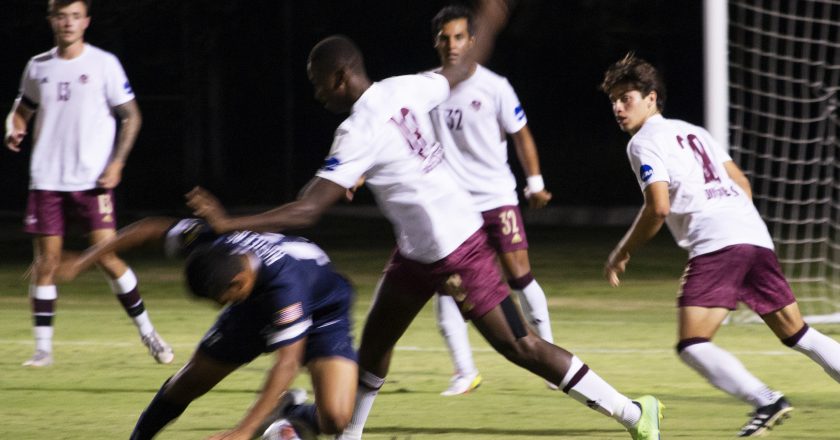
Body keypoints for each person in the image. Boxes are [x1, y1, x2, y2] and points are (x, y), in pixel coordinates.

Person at [186, 4, 663, 439]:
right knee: (372, 350)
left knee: (521, 347)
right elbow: (459, 69)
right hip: (417, 252)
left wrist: (229, 224)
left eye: (316, 82)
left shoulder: (356, 131)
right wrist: (492, 18)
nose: (315, 93)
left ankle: (634, 414)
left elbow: (309, 209)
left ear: (338, 77)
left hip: (455, 249)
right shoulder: (403, 87)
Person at [600, 53, 840, 437]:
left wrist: (621, 252)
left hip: (718, 244)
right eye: (613, 99)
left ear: (651, 98)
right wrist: (732, 218)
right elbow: (741, 183)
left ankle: (766, 399)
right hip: (753, 235)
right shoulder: (695, 131)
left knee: (693, 343)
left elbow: (657, 208)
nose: (617, 107)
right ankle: (767, 399)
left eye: (626, 97)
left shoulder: (643, 143)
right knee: (798, 333)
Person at [56, 216, 358, 440]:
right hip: (253, 309)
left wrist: (243, 431)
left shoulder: (285, 285)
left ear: (238, 282)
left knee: (336, 417)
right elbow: (149, 230)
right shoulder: (215, 243)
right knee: (187, 383)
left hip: (322, 313)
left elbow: (287, 362)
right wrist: (83, 261)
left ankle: (292, 413)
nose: (218, 307)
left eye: (220, 300)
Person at [3, 0, 172, 367]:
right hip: (46, 180)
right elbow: (22, 108)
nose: (68, 23)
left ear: (86, 21)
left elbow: (131, 116)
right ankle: (43, 350)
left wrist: (117, 163)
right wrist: (13, 127)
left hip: (92, 182)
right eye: (61, 16)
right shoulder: (38, 66)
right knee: (45, 261)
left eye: (75, 16)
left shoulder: (104, 64)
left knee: (106, 256)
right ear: (51, 20)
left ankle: (149, 333)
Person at [428, 4, 556, 395]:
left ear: (472, 40)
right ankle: (464, 371)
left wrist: (534, 183)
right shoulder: (427, 87)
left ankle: (550, 355)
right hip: (452, 207)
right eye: (445, 38)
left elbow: (521, 134)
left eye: (460, 37)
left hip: (497, 199)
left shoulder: (495, 86)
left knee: (520, 275)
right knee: (447, 284)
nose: (453, 45)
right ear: (437, 43)